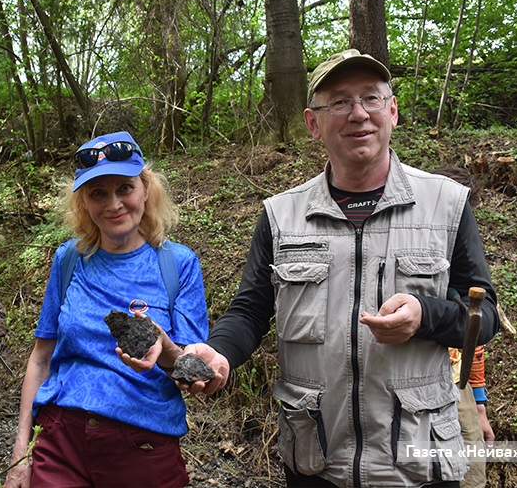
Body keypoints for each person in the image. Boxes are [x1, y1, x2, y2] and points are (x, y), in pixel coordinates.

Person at [181, 49, 500, 488]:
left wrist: (426, 315)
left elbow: (484, 317)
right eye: (340, 102)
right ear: (313, 123)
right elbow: (250, 310)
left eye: (371, 98)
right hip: (316, 458)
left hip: (418, 461)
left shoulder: (446, 204)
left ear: (392, 111)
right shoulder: (281, 215)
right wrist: (220, 351)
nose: (358, 113)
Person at [3, 131, 208, 488]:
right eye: (98, 193)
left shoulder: (178, 265)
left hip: (143, 444)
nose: (113, 204)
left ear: (146, 189)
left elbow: (194, 372)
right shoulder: (69, 259)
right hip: (60, 441)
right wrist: (21, 452)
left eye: (125, 188)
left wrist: (165, 347)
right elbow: (41, 358)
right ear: (83, 201)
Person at [431, 165, 495, 488]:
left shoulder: (467, 261)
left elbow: (474, 338)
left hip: (459, 385)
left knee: (472, 475)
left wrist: (479, 406)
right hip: (415, 377)